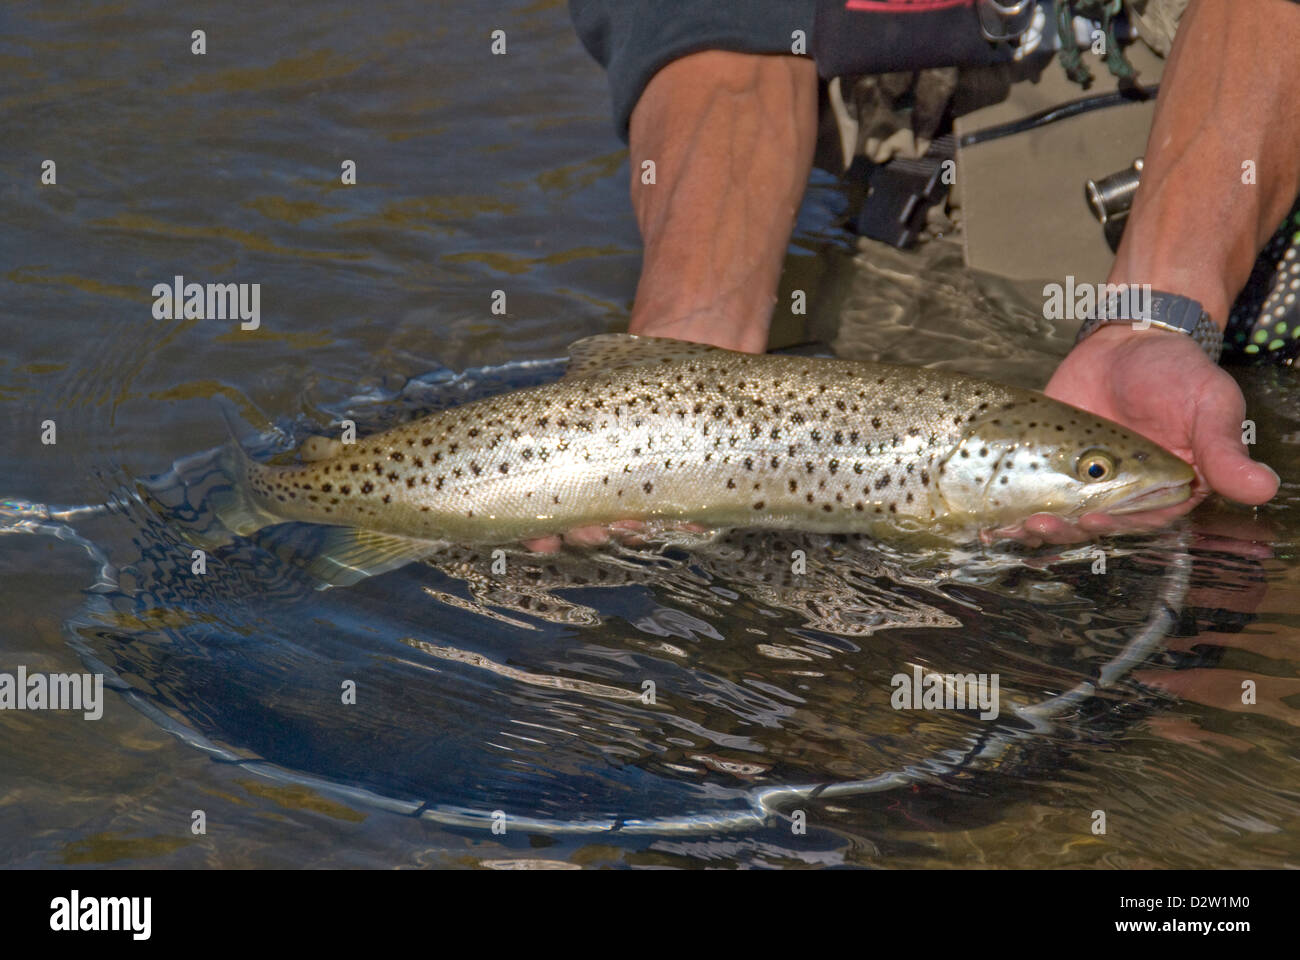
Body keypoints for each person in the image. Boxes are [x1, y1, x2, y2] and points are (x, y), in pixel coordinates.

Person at [544, 0, 1295, 552]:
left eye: (1093, 468)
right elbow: (718, 28)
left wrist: (1155, 315)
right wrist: (686, 339)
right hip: (886, 155)